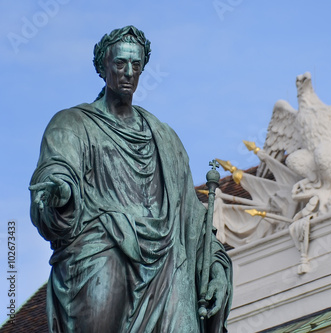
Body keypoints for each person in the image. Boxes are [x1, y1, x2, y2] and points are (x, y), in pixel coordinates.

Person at [29, 25, 232, 333]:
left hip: (168, 267)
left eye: (136, 65)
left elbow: (193, 220)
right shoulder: (71, 124)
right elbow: (58, 171)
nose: (128, 72)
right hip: (104, 253)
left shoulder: (165, 138)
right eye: (120, 63)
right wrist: (60, 193)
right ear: (102, 66)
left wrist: (215, 268)